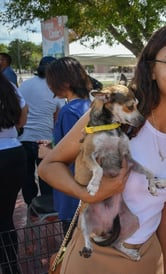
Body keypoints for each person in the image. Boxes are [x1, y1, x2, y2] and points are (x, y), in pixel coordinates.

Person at [38, 23, 166, 274]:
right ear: (152, 70)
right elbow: (49, 166)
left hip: (147, 258)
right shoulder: (115, 116)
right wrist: (88, 194)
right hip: (94, 257)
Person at [37, 57, 92, 234]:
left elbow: (72, 156)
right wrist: (55, 146)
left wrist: (47, 153)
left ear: (64, 82)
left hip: (73, 193)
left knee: (72, 248)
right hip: (90, 192)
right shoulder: (90, 107)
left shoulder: (69, 112)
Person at [18, 56, 63, 206]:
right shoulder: (56, 87)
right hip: (45, 140)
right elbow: (58, 117)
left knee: (26, 176)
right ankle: (47, 207)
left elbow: (18, 109)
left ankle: (31, 206)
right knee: (46, 176)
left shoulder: (25, 85)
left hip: (23, 138)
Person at [0, 73, 28, 274]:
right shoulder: (8, 87)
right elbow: (22, 117)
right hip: (13, 153)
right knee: (5, 218)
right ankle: (11, 268)